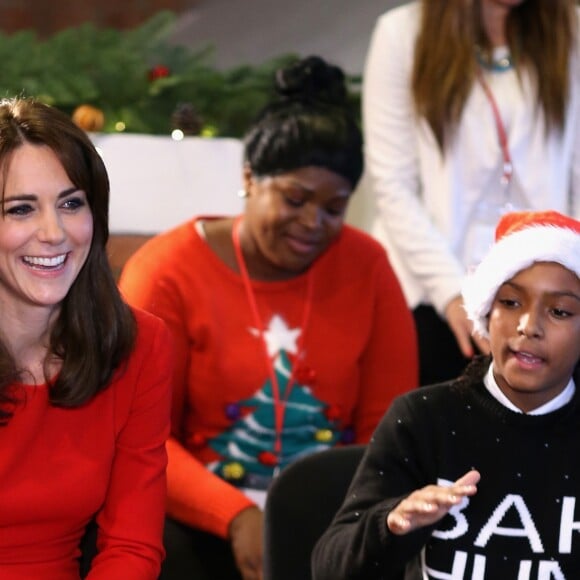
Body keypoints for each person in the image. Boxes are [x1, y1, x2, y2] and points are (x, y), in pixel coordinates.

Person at [118, 55, 418, 580]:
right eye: (295, 198)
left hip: (334, 513)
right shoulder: (165, 271)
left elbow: (386, 429)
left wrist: (346, 516)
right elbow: (140, 439)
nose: (312, 223)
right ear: (250, 178)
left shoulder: (366, 265)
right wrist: (235, 517)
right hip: (201, 516)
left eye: (334, 207)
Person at [312, 209, 580, 579]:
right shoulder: (424, 418)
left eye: (560, 312)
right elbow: (330, 566)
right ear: (486, 313)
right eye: (510, 302)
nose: (528, 326)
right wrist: (393, 523)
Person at [362, 0, 580, 385]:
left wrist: (564, 273)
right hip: (431, 291)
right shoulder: (401, 34)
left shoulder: (572, 30)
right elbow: (393, 183)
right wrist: (451, 294)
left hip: (550, 287)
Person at [0, 97, 173, 579]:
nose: (54, 233)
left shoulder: (140, 344)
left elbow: (132, 546)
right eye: (20, 209)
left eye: (71, 204)